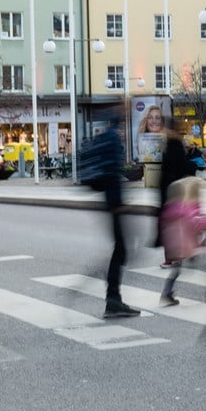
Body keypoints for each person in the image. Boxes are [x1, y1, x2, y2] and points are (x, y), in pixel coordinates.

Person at [92, 118, 142, 318]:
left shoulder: (107, 139)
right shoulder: (113, 141)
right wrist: (119, 204)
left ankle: (113, 298)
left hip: (111, 202)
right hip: (114, 204)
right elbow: (113, 175)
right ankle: (113, 299)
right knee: (121, 249)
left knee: (120, 248)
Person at [159, 176, 206, 305]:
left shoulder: (169, 209)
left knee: (177, 269)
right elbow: (195, 222)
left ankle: (167, 292)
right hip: (188, 244)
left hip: (175, 245)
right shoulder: (186, 208)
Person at [155, 122, 195, 256]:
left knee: (174, 222)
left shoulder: (174, 145)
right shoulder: (171, 144)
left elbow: (178, 166)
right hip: (171, 189)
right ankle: (174, 254)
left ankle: (177, 253)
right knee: (173, 223)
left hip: (173, 190)